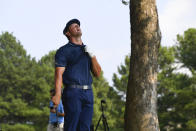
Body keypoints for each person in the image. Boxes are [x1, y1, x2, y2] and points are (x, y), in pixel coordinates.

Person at [52, 18, 101, 131]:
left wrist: (92, 56)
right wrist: (58, 94)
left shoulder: (87, 50)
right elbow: (58, 74)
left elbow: (97, 73)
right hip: (73, 92)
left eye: (78, 25)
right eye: (74, 26)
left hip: (88, 92)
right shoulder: (63, 51)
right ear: (68, 33)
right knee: (71, 127)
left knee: (85, 127)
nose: (77, 26)